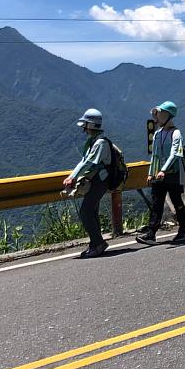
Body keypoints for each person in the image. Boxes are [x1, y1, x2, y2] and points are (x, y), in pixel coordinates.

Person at [137, 101, 185, 246]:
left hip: (173, 173)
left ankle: (183, 228)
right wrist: (150, 173)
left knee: (176, 201)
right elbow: (155, 155)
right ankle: (151, 233)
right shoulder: (158, 134)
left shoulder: (176, 133)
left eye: (159, 114)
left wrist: (163, 170)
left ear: (167, 115)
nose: (157, 117)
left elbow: (175, 154)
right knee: (156, 203)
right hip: (159, 174)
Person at [62, 108, 112, 258]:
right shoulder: (94, 141)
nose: (83, 129)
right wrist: (73, 176)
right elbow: (84, 161)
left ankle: (98, 244)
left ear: (90, 125)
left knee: (85, 212)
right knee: (92, 211)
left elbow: (89, 162)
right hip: (95, 180)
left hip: (100, 181)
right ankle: (95, 244)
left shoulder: (100, 143)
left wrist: (73, 177)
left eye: (85, 125)